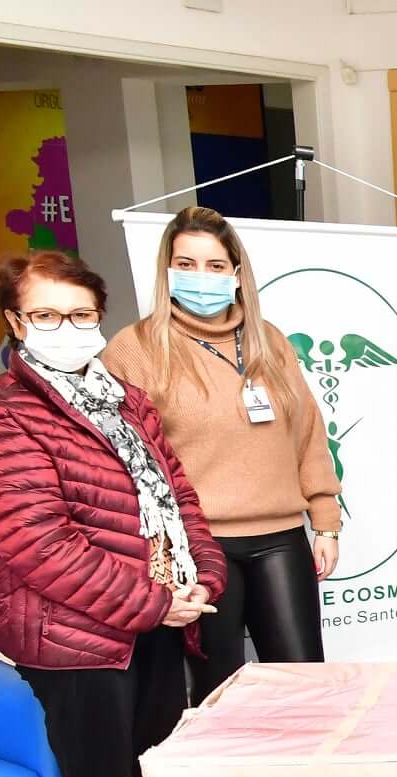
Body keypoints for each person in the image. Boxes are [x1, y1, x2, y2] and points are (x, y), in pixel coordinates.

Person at [0, 251, 227, 777]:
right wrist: (151, 602)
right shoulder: (1, 420)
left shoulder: (122, 398)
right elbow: (40, 544)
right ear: (15, 321)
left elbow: (177, 494)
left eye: (80, 315)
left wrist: (201, 574)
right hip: (71, 632)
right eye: (47, 315)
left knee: (150, 765)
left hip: (157, 615)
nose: (67, 328)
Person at [102, 206, 337, 702]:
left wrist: (325, 519)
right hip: (198, 546)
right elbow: (121, 458)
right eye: (185, 265)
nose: (200, 277)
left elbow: (307, 431)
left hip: (281, 537)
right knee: (219, 689)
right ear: (167, 271)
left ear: (235, 274)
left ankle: (305, 775)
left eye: (213, 266)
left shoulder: (267, 340)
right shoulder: (136, 348)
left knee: (303, 682)